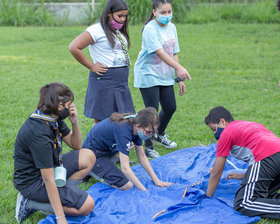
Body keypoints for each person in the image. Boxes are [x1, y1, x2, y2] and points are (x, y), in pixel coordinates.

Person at [13, 82, 96, 224]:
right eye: (69, 104)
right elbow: (48, 179)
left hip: (50, 169)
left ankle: (62, 195)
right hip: (32, 182)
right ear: (60, 106)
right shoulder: (39, 134)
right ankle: (29, 203)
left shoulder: (52, 118)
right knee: (87, 206)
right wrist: (60, 217)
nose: (71, 107)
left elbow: (76, 145)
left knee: (88, 156)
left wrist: (75, 123)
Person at [134, 0, 192, 159]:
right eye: (163, 12)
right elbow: (160, 53)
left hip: (165, 74)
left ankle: (158, 134)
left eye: (169, 12)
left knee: (170, 107)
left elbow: (174, 53)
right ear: (154, 12)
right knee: (151, 112)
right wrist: (180, 69)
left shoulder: (172, 27)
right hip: (148, 73)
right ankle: (148, 146)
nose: (167, 15)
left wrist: (179, 76)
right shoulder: (149, 29)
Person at [205, 106, 280, 219]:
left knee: (243, 203)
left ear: (222, 121)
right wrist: (245, 175)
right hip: (274, 156)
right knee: (263, 194)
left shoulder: (226, 134)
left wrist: (207, 197)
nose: (215, 134)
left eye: (214, 129)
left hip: (266, 157)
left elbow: (216, 172)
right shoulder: (249, 124)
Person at [69, 0, 134, 125]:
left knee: (125, 117)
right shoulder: (96, 30)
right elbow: (73, 47)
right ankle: (97, 143)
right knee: (102, 119)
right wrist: (91, 66)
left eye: (125, 16)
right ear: (109, 13)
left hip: (121, 81)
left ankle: (119, 143)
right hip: (105, 79)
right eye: (119, 16)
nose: (123, 19)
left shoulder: (117, 30)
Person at [82, 107, 172, 191]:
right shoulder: (123, 130)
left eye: (153, 132)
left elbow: (142, 156)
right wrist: (144, 191)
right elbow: (125, 168)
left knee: (127, 150)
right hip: (92, 155)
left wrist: (157, 181)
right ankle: (89, 169)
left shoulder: (136, 126)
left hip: (105, 150)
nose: (150, 135)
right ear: (138, 126)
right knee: (127, 185)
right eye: (148, 132)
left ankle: (101, 166)